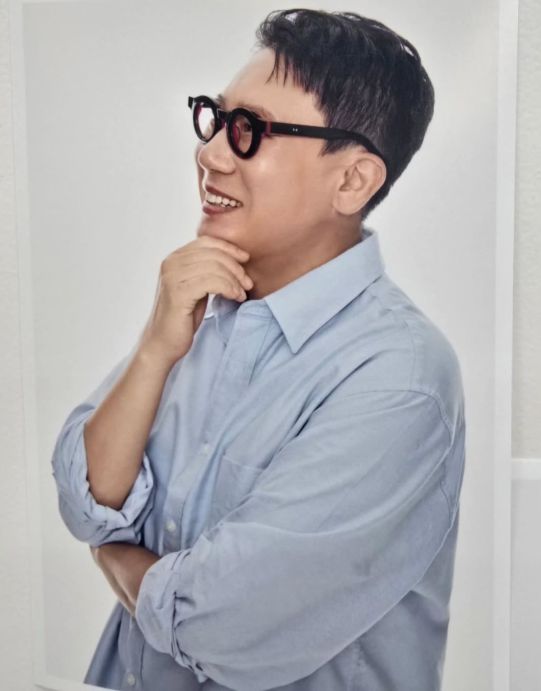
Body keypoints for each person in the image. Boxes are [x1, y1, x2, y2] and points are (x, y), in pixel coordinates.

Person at [51, 8, 466, 691]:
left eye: (250, 130)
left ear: (352, 180)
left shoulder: (399, 376)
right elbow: (86, 498)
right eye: (216, 118)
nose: (212, 153)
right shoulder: (203, 309)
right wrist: (154, 348)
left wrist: (114, 557)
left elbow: (222, 624)